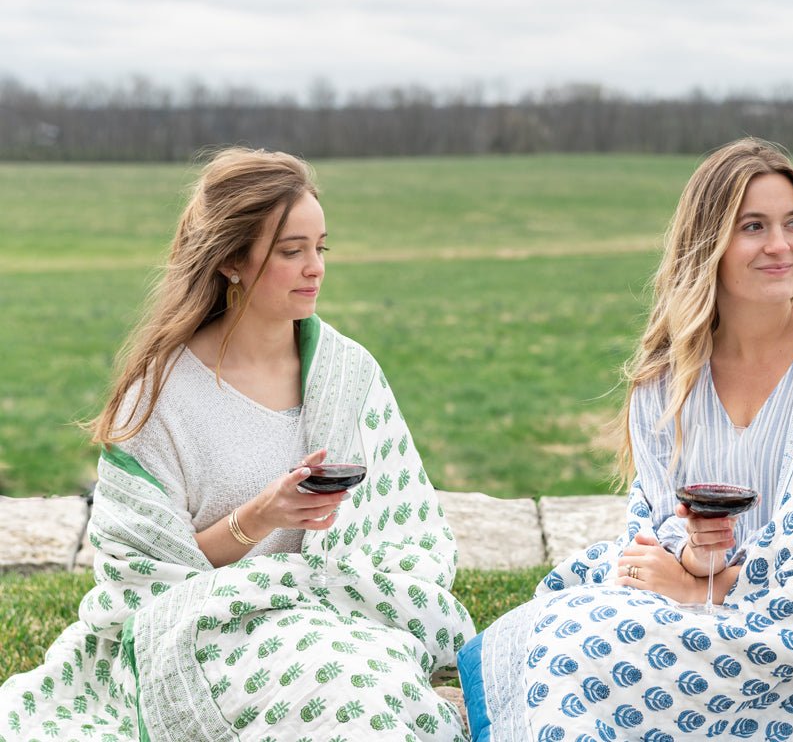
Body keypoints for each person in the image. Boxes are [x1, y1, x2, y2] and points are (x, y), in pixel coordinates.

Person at [457, 138, 793, 741]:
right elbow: (657, 521)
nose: (780, 245)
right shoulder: (667, 376)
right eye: (753, 226)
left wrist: (713, 584)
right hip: (695, 620)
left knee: (592, 646)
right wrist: (693, 560)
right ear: (708, 242)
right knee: (565, 630)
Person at [0, 147, 474, 742]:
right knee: (349, 693)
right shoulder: (159, 396)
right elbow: (146, 577)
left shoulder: (348, 375)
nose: (315, 268)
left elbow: (407, 532)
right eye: (290, 251)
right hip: (210, 635)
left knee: (378, 688)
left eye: (320, 248)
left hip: (334, 618)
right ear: (231, 261)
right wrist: (259, 518)